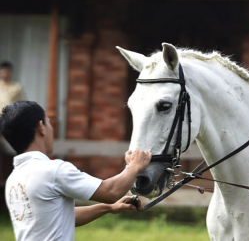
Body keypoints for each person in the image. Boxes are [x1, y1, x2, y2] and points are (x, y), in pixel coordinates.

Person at [1, 100, 152, 241]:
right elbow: (111, 191)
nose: (51, 127)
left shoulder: (13, 180)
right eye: (49, 122)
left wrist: (109, 208)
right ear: (41, 127)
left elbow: (61, 216)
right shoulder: (52, 170)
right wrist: (134, 165)